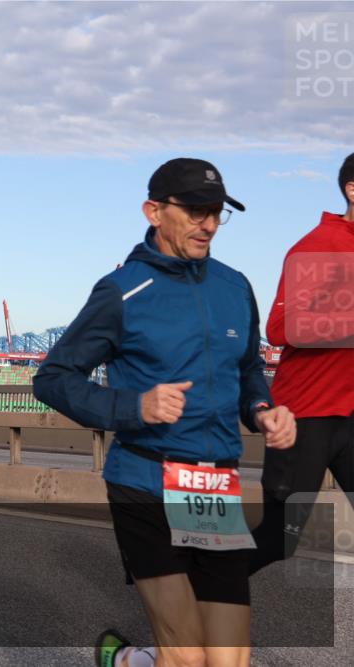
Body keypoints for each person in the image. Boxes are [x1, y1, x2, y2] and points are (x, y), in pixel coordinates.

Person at [32, 158, 297, 667]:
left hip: (214, 485)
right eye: (197, 211)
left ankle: (132, 662)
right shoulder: (122, 291)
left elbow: (246, 370)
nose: (210, 225)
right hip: (145, 481)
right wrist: (134, 405)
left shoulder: (235, 286)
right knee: (188, 659)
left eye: (217, 213)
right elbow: (53, 378)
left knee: (228, 663)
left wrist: (262, 409)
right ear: (154, 211)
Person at [249, 152, 354, 575]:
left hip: (349, 415)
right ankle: (188, 603)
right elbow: (280, 327)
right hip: (304, 417)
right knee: (279, 540)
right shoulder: (319, 245)